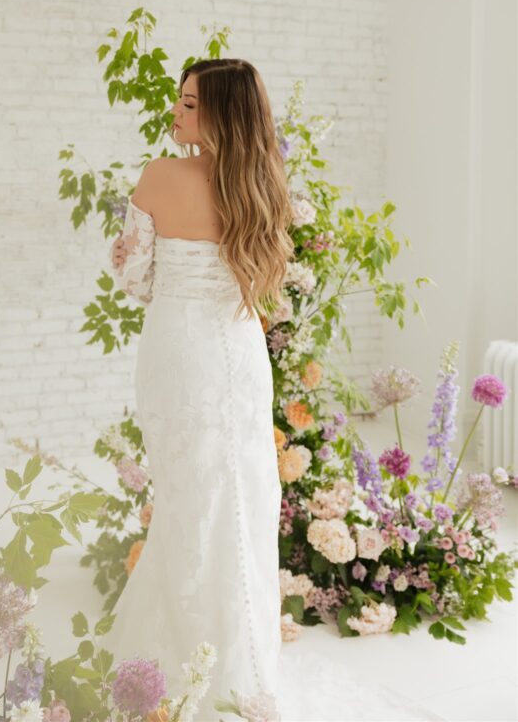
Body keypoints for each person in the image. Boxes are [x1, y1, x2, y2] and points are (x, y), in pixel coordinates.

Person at [101, 58, 444, 722]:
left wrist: (135, 263)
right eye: (178, 101)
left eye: (190, 104)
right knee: (243, 496)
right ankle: (241, 661)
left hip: (174, 353)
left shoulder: (157, 176)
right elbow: (260, 290)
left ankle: (179, 657)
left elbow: (136, 282)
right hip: (236, 353)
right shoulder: (262, 185)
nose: (176, 113)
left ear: (222, 114)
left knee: (184, 494)